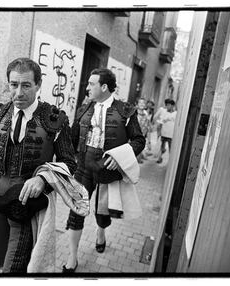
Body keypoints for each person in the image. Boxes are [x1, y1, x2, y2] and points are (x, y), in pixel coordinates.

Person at [0, 58, 77, 273]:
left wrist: (43, 179)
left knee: (16, 266)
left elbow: (70, 163)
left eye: (26, 85)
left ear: (38, 85)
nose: (19, 93)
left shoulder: (54, 120)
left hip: (29, 204)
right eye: (14, 85)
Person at [63, 68, 146, 272]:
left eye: (92, 84)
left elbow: (138, 140)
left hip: (106, 172)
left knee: (102, 213)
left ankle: (100, 234)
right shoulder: (84, 109)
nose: (87, 87)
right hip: (83, 169)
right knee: (76, 212)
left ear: (104, 87)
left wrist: (120, 158)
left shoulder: (125, 111)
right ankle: (72, 257)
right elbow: (72, 139)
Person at [154, 98, 176, 164]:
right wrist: (159, 130)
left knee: (170, 148)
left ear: (172, 106)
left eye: (169, 105)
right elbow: (158, 120)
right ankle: (159, 158)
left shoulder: (175, 113)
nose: (167, 106)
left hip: (171, 134)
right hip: (163, 133)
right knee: (161, 147)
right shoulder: (163, 111)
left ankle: (170, 161)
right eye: (166, 105)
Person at [135, 98, 150, 164]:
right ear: (137, 105)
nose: (141, 104)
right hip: (132, 137)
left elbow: (147, 128)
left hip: (141, 137)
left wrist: (148, 141)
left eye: (143, 103)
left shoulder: (146, 116)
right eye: (140, 103)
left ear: (145, 105)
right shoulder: (134, 114)